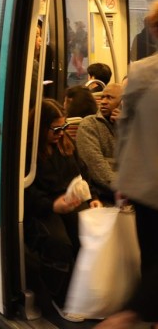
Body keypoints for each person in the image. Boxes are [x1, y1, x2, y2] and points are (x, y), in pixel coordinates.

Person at [97, 20, 158, 328]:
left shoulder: (140, 72)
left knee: (150, 256)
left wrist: (123, 179)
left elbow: (126, 131)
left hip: (145, 186)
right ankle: (130, 315)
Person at [25, 99, 100, 323]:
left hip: (70, 202)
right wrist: (52, 205)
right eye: (56, 128)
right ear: (40, 128)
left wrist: (93, 197)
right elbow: (27, 192)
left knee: (88, 236)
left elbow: (82, 173)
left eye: (64, 127)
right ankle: (61, 297)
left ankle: (85, 293)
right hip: (43, 207)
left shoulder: (65, 144)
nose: (61, 132)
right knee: (61, 244)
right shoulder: (28, 153)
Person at [75, 83, 122, 203]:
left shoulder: (131, 125)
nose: (104, 102)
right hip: (103, 195)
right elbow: (96, 166)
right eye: (103, 97)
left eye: (110, 98)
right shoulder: (89, 124)